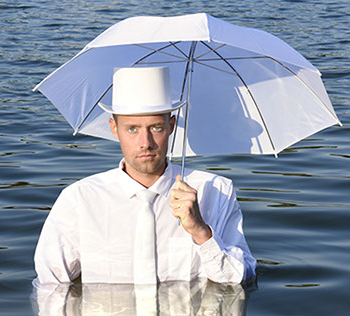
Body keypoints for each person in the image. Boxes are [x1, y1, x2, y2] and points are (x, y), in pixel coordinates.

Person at [34, 66, 256, 286]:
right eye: (132, 129)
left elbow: (240, 279)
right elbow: (49, 287)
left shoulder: (216, 191)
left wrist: (201, 233)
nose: (145, 143)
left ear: (171, 126)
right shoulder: (79, 199)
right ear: (114, 128)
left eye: (156, 128)